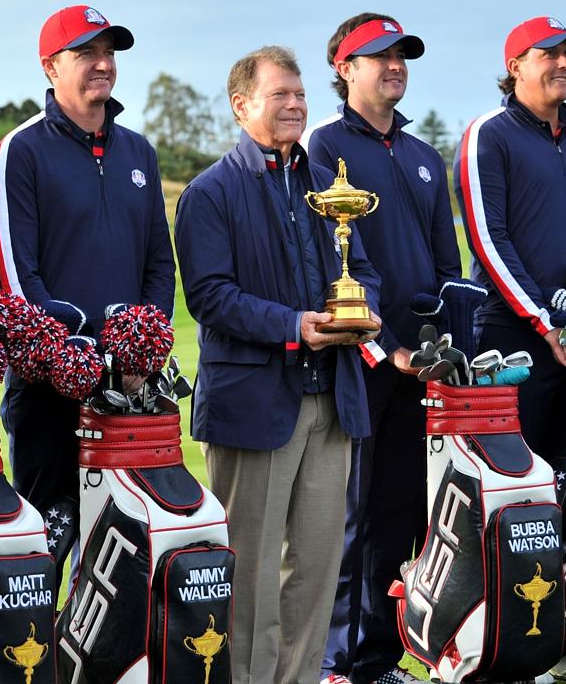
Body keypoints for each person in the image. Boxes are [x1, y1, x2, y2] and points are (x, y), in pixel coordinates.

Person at [174, 45, 382, 684]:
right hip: (257, 405)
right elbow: (210, 296)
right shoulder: (211, 192)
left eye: (299, 94)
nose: (295, 105)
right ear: (242, 107)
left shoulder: (327, 184)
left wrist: (362, 310)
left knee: (318, 569)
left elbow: (363, 271)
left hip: (332, 402)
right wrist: (295, 326)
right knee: (253, 572)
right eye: (279, 95)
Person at [0, 4, 175, 572]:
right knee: (46, 550)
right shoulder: (21, 150)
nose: (102, 64)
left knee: (120, 552)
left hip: (128, 385)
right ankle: (32, 662)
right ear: (50, 66)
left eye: (108, 53)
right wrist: (73, 355)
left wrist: (142, 348)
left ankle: (95, 663)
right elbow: (19, 277)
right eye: (86, 53)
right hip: (49, 389)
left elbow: (157, 265)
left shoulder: (138, 151)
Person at [303, 13, 458, 684]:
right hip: (358, 360)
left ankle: (377, 658)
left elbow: (447, 266)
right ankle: (335, 661)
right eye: (378, 56)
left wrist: (449, 348)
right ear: (344, 67)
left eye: (400, 56)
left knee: (402, 513)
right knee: (351, 517)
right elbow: (328, 263)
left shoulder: (424, 157)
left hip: (422, 363)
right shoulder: (320, 144)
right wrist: (383, 348)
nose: (393, 65)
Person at [456, 15, 566, 521]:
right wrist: (543, 321)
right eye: (548, 54)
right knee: (513, 489)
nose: (562, 64)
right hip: (513, 337)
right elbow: (490, 240)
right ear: (515, 67)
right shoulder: (488, 135)